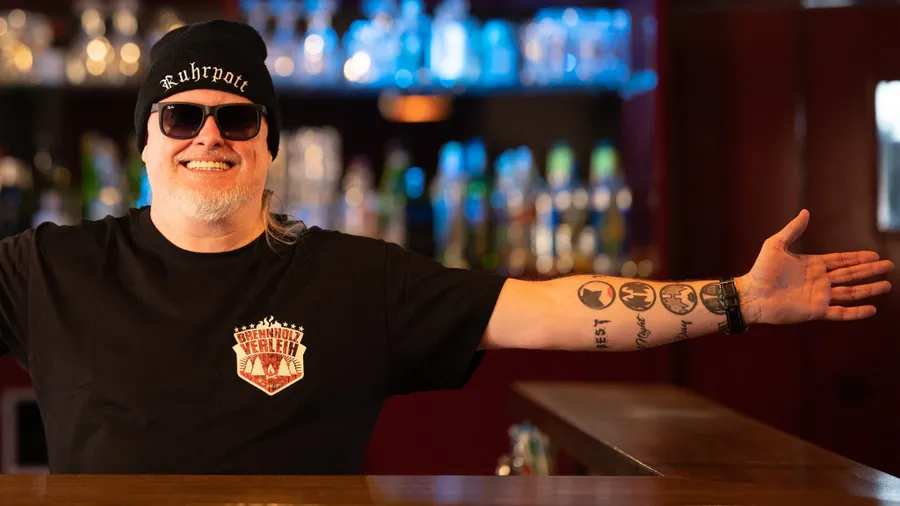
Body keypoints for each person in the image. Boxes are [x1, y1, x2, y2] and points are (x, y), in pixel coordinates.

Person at [0, 19, 892, 475]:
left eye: (237, 119)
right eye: (181, 117)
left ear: (268, 146)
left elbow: (548, 311)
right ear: (146, 142)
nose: (209, 136)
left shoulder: (351, 278)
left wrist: (739, 299)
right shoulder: (50, 268)